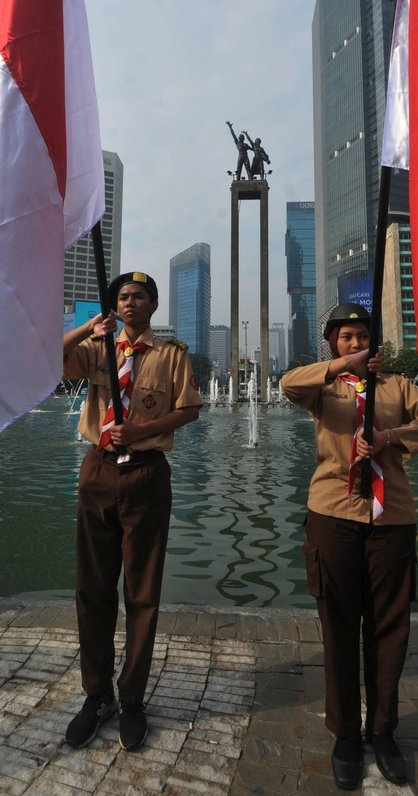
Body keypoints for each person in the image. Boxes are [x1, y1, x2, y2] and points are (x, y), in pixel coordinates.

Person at [281, 303, 418, 791]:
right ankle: (346, 734)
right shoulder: (324, 389)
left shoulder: (399, 387)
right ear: (333, 344)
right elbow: (288, 385)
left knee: (388, 627)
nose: (355, 344)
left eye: (361, 337)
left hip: (390, 516)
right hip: (333, 514)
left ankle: (383, 730)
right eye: (346, 338)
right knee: (337, 626)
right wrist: (342, 368)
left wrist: (389, 436)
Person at [63, 271, 202, 752]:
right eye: (122, 296)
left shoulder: (171, 355)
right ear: (114, 306)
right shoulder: (97, 350)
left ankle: (133, 698)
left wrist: (141, 432)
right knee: (93, 588)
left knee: (141, 593)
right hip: (98, 473)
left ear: (153, 305)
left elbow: (190, 410)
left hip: (146, 475)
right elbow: (53, 360)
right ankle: (96, 695)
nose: (129, 302)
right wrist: (89, 329)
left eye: (138, 296)